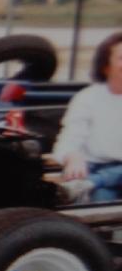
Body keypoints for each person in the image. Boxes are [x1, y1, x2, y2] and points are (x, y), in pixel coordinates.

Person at [53, 31, 122, 203]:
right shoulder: (87, 97)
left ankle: (91, 183)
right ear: (105, 66)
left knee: (98, 193)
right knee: (101, 199)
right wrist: (73, 157)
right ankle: (90, 184)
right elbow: (69, 139)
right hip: (92, 167)